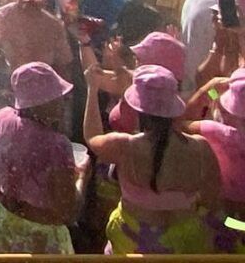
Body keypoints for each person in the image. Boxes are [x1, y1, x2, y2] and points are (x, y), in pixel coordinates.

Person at [87, 63, 220, 254]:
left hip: (132, 243)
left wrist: (92, 88)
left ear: (139, 109)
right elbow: (212, 202)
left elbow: (91, 137)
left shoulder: (123, 146)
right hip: (185, 246)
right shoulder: (201, 147)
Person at [0, 62, 82, 253]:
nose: (64, 101)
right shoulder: (57, 144)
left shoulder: (0, 119)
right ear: (41, 102)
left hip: (5, 223)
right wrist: (82, 177)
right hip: (41, 236)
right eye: (57, 97)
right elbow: (68, 210)